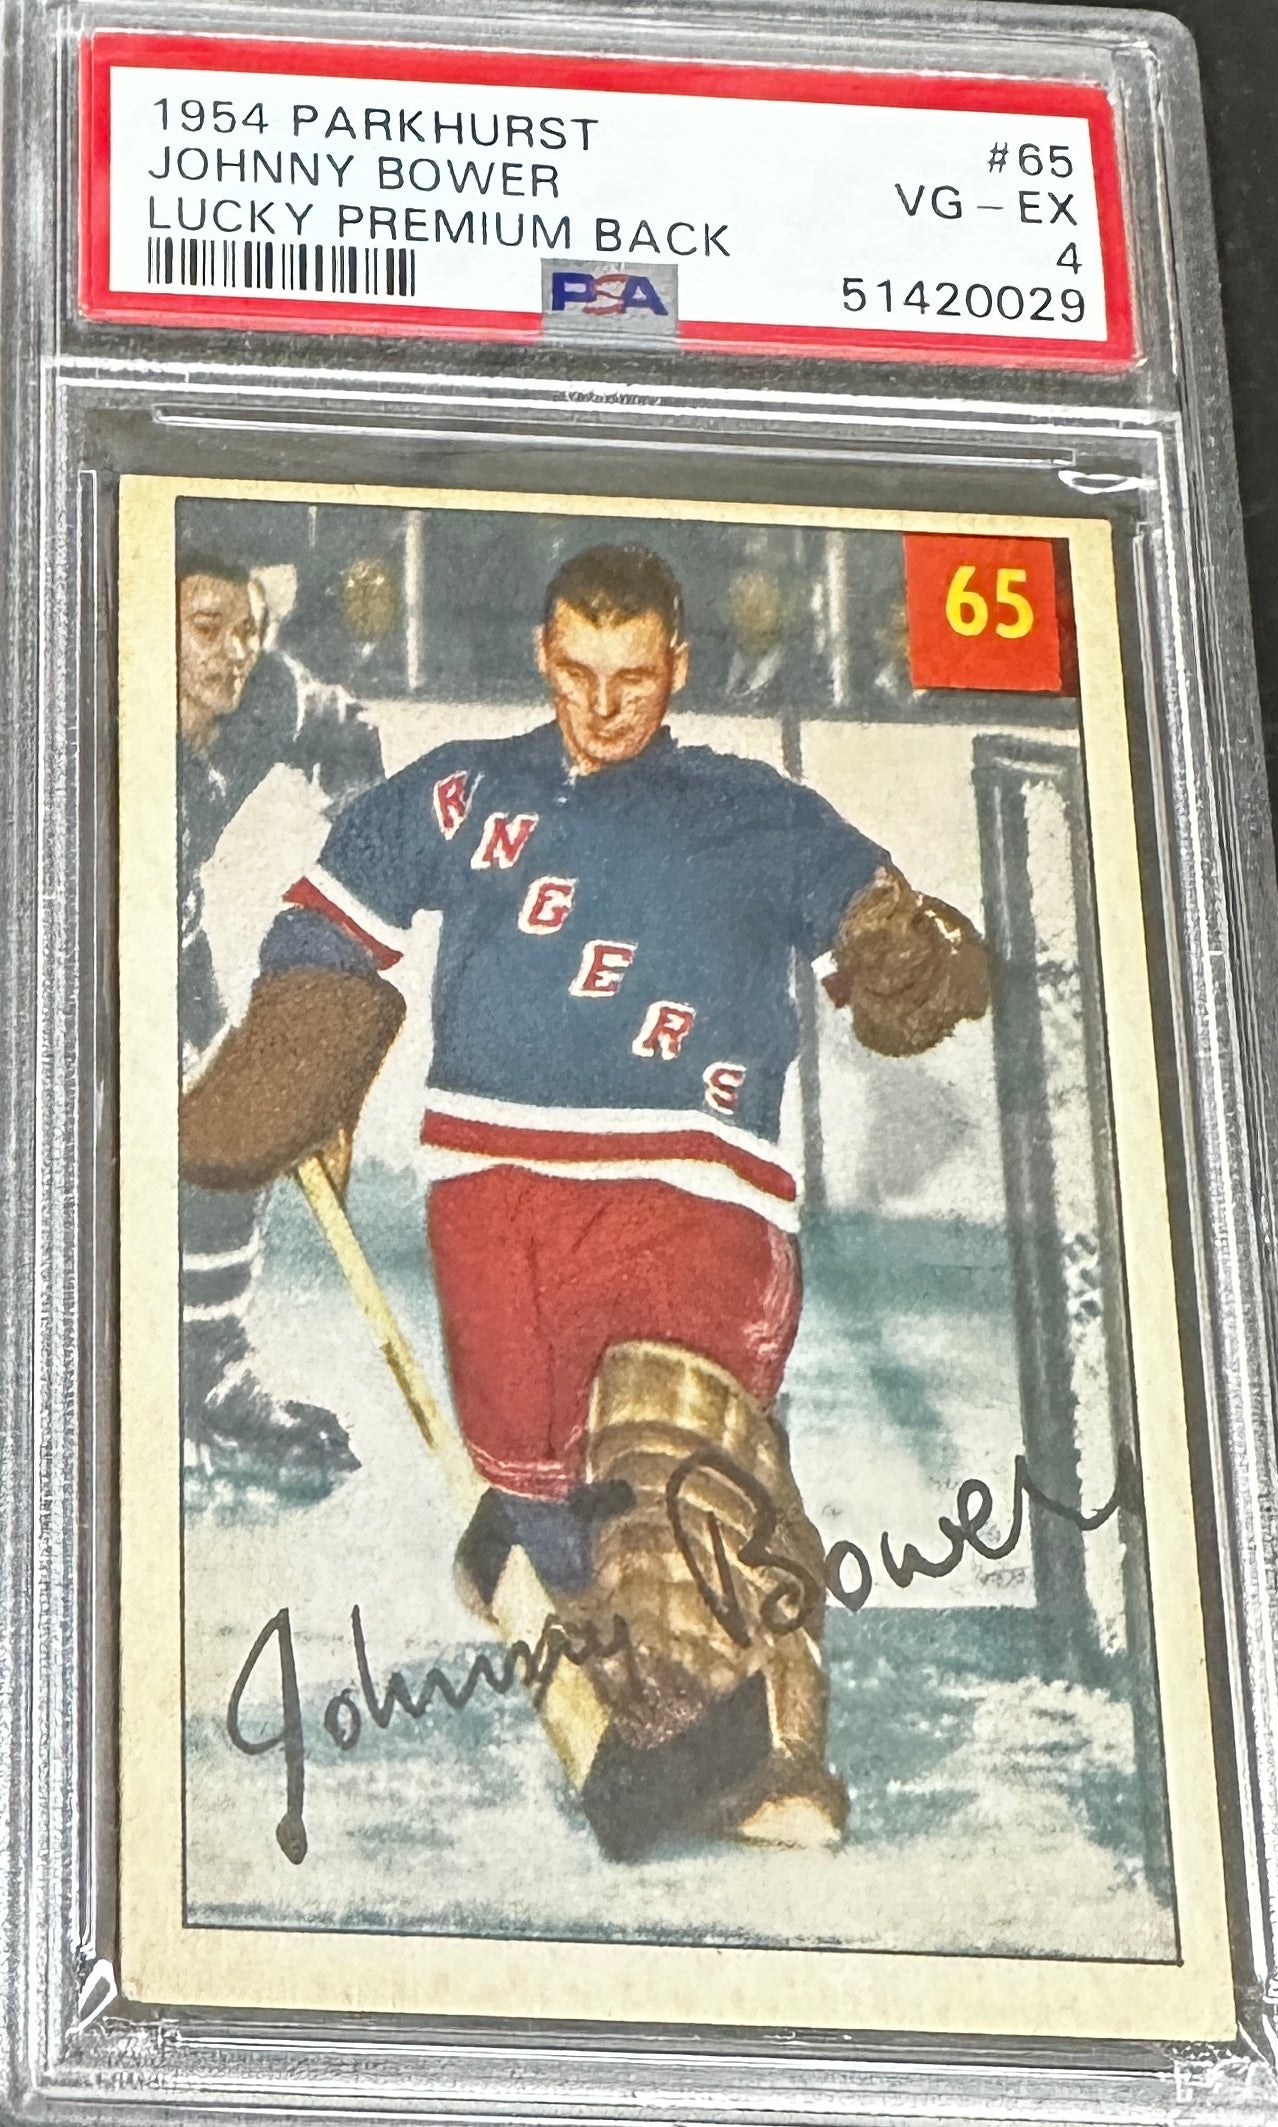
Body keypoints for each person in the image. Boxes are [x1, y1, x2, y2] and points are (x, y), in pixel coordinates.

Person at [181, 543, 989, 1847]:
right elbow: (331, 915)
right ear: (543, 657)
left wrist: (905, 951)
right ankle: (603, 1633)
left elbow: (880, 917)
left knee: (674, 1467)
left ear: (677, 665)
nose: (604, 704)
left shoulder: (751, 809)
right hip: (493, 1211)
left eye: (633, 676)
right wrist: (306, 1063)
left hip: (689, 1197)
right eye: (577, 672)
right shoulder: (463, 792)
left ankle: (774, 1756)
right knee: (548, 1500)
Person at [177, 552, 384, 1499]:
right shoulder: (86, 716)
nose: (232, 653)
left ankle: (211, 1373)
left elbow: (348, 731)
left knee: (232, 1132)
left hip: (171, 945)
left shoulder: (268, 698)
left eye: (246, 631)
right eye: (205, 629)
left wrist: (358, 864)